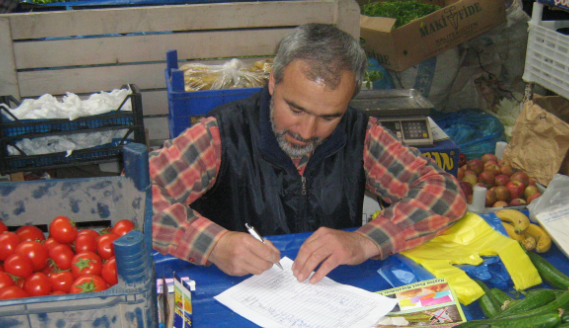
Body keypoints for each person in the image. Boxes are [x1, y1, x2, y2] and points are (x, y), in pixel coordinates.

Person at [151, 23, 467, 284]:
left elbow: (443, 192)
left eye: (329, 117)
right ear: (273, 81)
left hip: (328, 295)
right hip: (235, 294)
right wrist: (214, 243)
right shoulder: (222, 135)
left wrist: (365, 241)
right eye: (295, 109)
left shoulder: (360, 134)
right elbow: (131, 197)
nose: (306, 131)